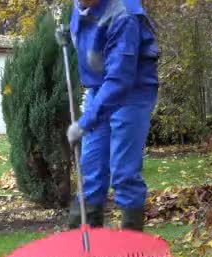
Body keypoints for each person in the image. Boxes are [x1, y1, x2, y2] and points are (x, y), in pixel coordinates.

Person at [56, 0, 158, 231]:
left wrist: (85, 122)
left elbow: (120, 79)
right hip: (99, 89)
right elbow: (93, 46)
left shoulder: (124, 14)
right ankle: (84, 247)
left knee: (124, 173)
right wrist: (66, 39)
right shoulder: (80, 7)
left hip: (132, 90)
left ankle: (132, 249)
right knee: (91, 169)